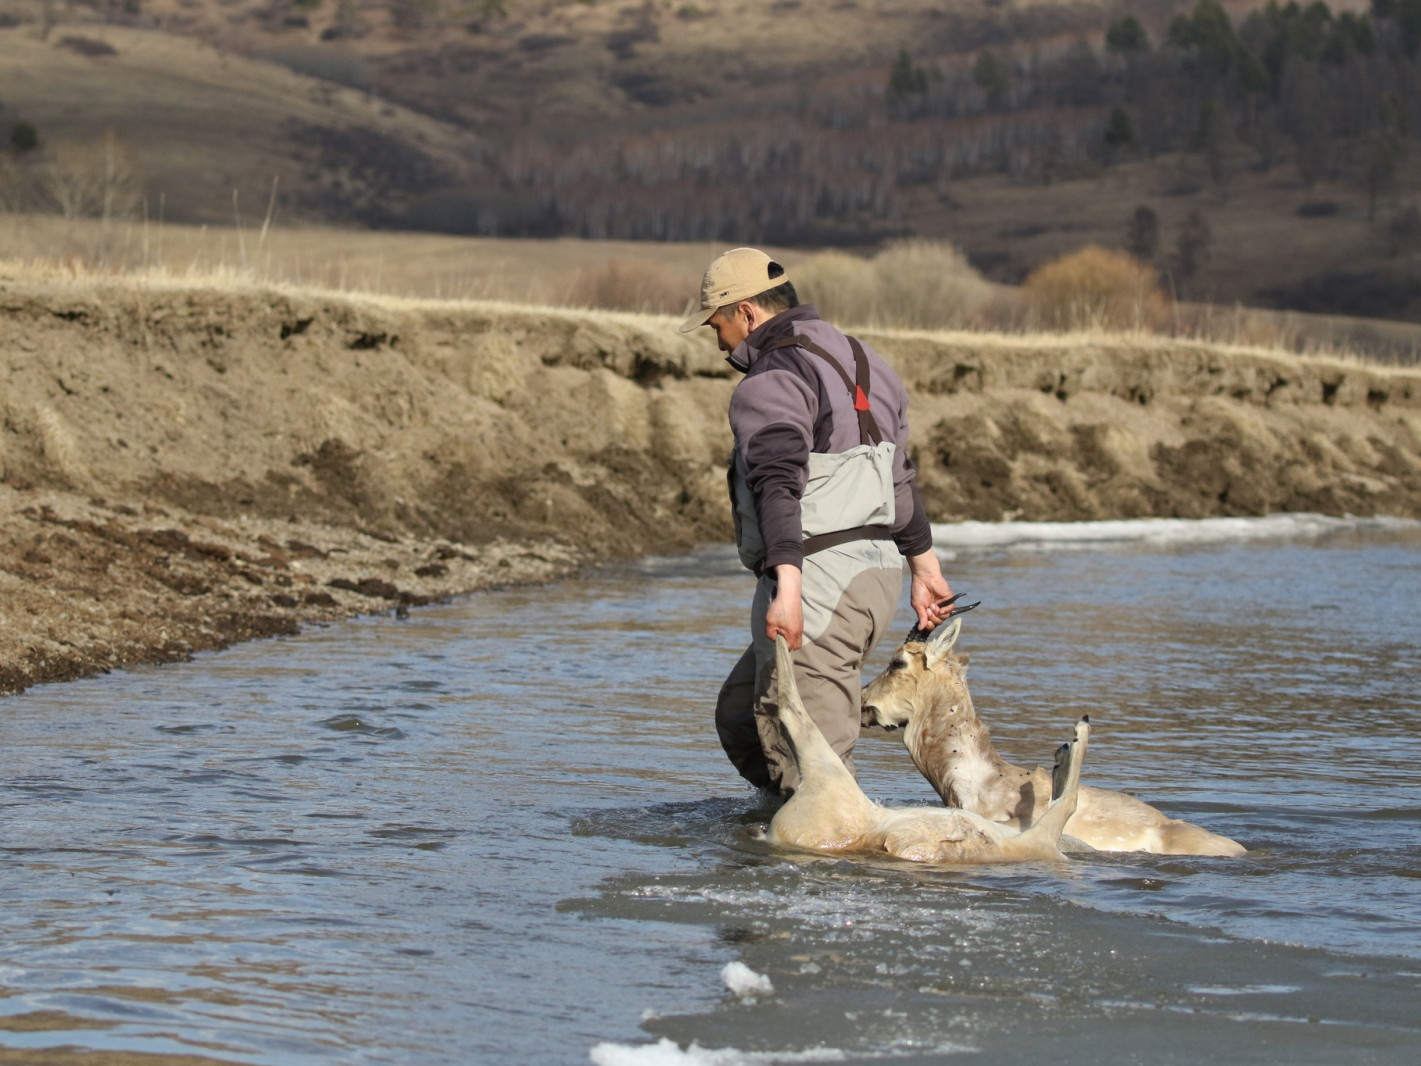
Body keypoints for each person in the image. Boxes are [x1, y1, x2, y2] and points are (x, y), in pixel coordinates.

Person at [679, 247, 953, 794]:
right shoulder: (866, 361)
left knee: (813, 767)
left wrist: (788, 585)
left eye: (718, 323)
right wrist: (924, 567)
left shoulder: (772, 377)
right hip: (875, 578)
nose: (718, 341)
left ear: (748, 313)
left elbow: (778, 483)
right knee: (742, 716)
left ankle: (827, 862)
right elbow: (895, 472)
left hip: (819, 580)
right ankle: (785, 831)